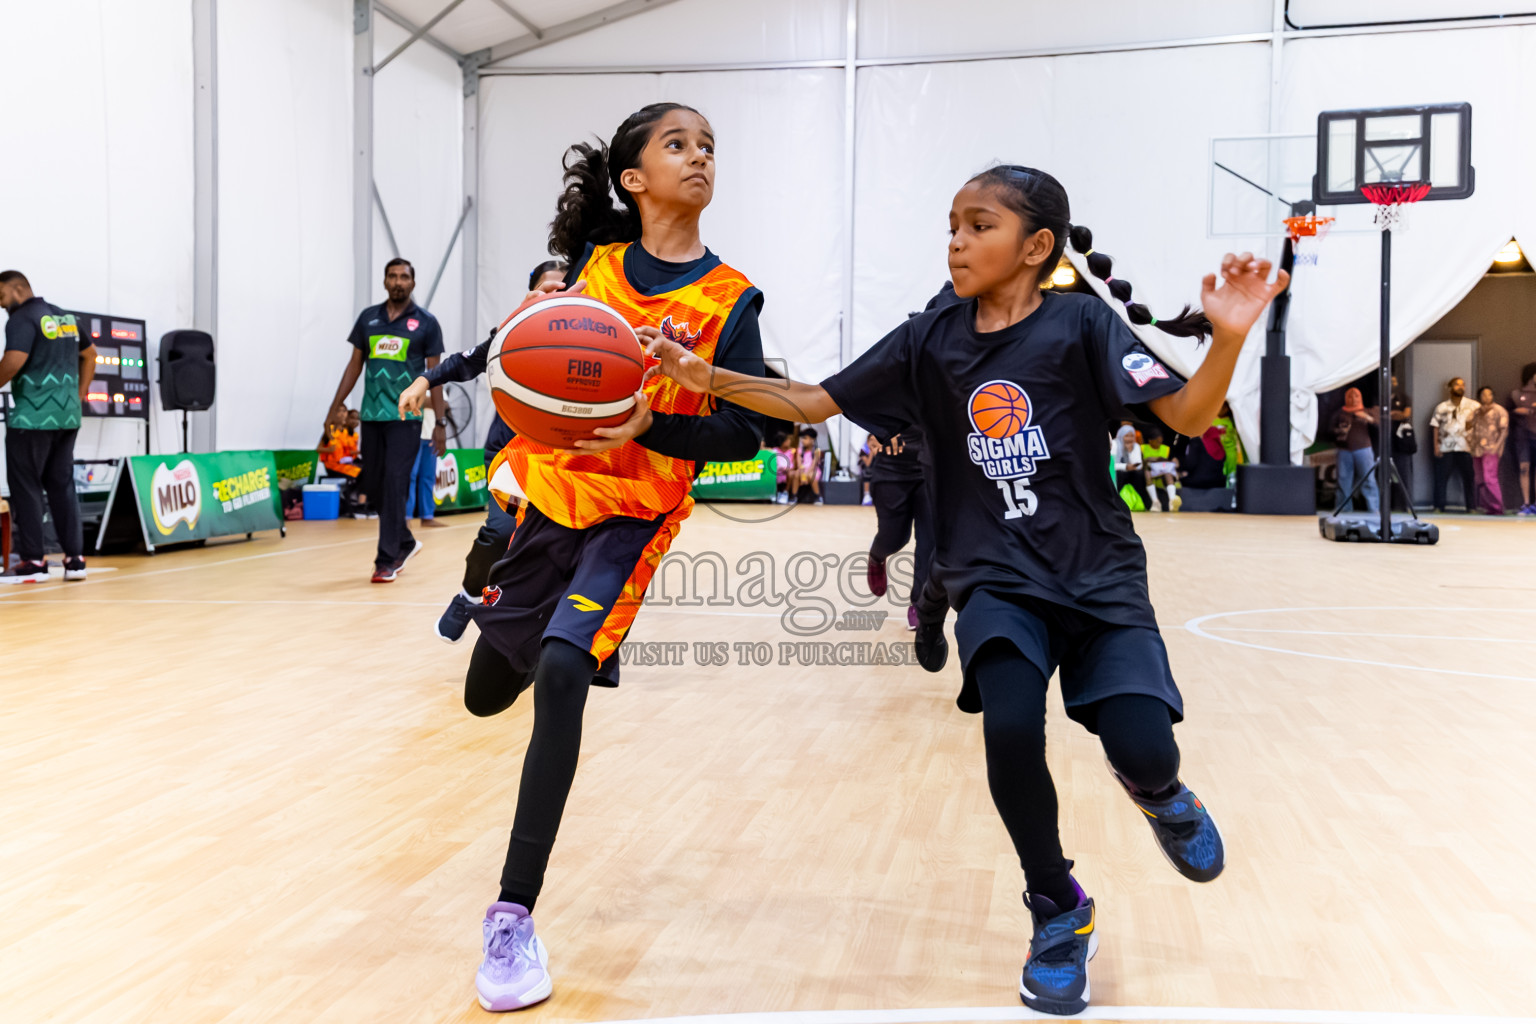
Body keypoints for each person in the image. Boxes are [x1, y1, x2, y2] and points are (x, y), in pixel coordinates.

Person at [647, 164, 1287, 1014]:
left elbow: (1188, 419)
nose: (956, 240)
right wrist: (708, 378)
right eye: (951, 224)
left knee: (1144, 748)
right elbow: (810, 400)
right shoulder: (930, 338)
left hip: (1098, 577)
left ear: (1037, 247)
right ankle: (1058, 909)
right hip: (993, 575)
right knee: (1012, 729)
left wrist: (1230, 339)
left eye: (978, 225)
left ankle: (1161, 795)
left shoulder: (1082, 326)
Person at [405, 103, 766, 1012]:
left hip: (631, 517)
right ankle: (506, 616)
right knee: (490, 693)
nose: (700, 157)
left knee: (564, 669)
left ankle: (512, 916)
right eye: (678, 144)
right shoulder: (591, 274)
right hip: (548, 494)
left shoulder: (731, 298)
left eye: (709, 146)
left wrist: (660, 418)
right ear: (633, 178)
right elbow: (523, 362)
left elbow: (748, 432)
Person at [400, 259, 570, 643]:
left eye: (564, 287)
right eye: (547, 288)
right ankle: (468, 594)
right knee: (501, 531)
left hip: (563, 457)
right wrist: (423, 380)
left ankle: (558, 632)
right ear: (530, 292)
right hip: (510, 454)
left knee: (559, 547)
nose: (554, 295)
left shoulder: (591, 335)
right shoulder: (514, 330)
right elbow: (465, 361)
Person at [323, 258, 445, 583]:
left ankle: (385, 560)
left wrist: (441, 424)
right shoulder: (369, 319)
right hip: (372, 417)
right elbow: (354, 366)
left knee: (395, 482)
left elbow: (435, 376)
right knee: (374, 485)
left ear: (413, 283)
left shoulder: (426, 323)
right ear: (385, 281)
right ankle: (404, 542)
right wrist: (334, 407)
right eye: (392, 276)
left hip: (407, 417)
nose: (398, 281)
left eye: (404, 276)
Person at [0, 270, 95, 583]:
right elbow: (90, 355)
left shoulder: (22, 319)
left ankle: (34, 562)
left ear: (17, 289)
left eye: (1, 297)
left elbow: (14, 360)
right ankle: (75, 560)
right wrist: (78, 397)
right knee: (62, 484)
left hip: (33, 417)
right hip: (68, 417)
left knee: (26, 486)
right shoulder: (65, 317)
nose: (1, 305)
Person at [864, 427, 935, 629]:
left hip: (932, 462)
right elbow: (852, 398)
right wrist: (876, 427)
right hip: (891, 464)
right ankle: (877, 556)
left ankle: (919, 605)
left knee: (929, 541)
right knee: (894, 538)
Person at [1429, 376, 1478, 513]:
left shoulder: (1473, 406)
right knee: (1441, 477)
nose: (1460, 387)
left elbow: (1480, 425)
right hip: (1446, 446)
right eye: (1457, 384)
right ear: (1450, 388)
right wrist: (1436, 446)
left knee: (1469, 478)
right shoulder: (1442, 407)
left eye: (1462, 385)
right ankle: (1439, 506)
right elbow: (1435, 426)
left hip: (1466, 446)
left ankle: (1471, 507)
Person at [1331, 386, 1379, 513]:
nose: (1353, 399)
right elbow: (1329, 429)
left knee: (1368, 480)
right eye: (1350, 396)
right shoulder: (1340, 413)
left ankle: (1374, 510)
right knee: (1343, 482)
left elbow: (1380, 425)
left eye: (1356, 396)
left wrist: (1367, 418)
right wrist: (1340, 431)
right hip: (1344, 450)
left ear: (1360, 397)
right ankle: (1344, 510)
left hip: (1363, 450)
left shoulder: (1367, 411)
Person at [1468, 386, 1508, 515]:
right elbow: (1468, 425)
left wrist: (1497, 446)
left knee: (1489, 477)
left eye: (1489, 394)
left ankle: (1498, 506)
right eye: (1484, 395)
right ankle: (1487, 506)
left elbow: (1504, 430)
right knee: (1479, 479)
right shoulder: (1476, 411)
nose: (1487, 397)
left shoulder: (1499, 410)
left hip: (1490, 448)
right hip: (1477, 448)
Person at [405, 408, 447, 528]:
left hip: (431, 435)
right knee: (410, 476)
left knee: (428, 477)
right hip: (412, 432)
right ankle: (406, 517)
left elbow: (444, 404)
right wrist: (431, 401)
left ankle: (427, 517)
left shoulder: (438, 389)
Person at [1509, 362, 1536, 514]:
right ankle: (1526, 503)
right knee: (1524, 468)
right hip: (1522, 438)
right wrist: (1518, 412)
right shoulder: (1517, 394)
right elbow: (1508, 414)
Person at [1389, 374, 1415, 511]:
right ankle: (1389, 505)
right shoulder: (1380, 397)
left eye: (1394, 381)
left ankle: (1404, 505)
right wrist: (1394, 414)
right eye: (1389, 380)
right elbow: (1380, 415)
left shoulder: (1403, 397)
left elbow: (1406, 414)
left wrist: (1392, 414)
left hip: (1402, 441)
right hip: (1386, 441)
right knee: (1386, 476)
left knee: (1403, 474)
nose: (1392, 383)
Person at [1141, 427, 1180, 512]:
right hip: (1151, 471)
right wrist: (1151, 459)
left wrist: (1173, 461)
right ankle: (1155, 502)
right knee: (1147, 472)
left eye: (1160, 442)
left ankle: (1172, 501)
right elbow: (1141, 462)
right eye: (1157, 441)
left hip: (1164, 471)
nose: (1159, 444)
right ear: (1150, 440)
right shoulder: (1143, 448)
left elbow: (1172, 461)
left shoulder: (1166, 448)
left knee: (1168, 474)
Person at [1112, 429, 1147, 508]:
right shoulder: (1114, 444)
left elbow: (1139, 465)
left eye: (1132, 436)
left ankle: (1139, 501)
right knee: (1119, 474)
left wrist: (1130, 451)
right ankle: (1115, 502)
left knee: (1139, 474)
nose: (1129, 439)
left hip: (1130, 471)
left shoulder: (1136, 446)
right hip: (1117, 471)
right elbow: (1111, 465)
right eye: (1127, 436)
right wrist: (1125, 467)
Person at [796, 426, 823, 503]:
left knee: (811, 476)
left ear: (812, 439)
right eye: (802, 438)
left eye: (805, 438)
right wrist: (802, 474)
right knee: (795, 474)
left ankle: (818, 496)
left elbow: (814, 465)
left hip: (813, 470)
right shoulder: (800, 450)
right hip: (802, 470)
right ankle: (793, 496)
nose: (802, 440)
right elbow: (799, 464)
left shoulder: (816, 451)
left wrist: (805, 475)